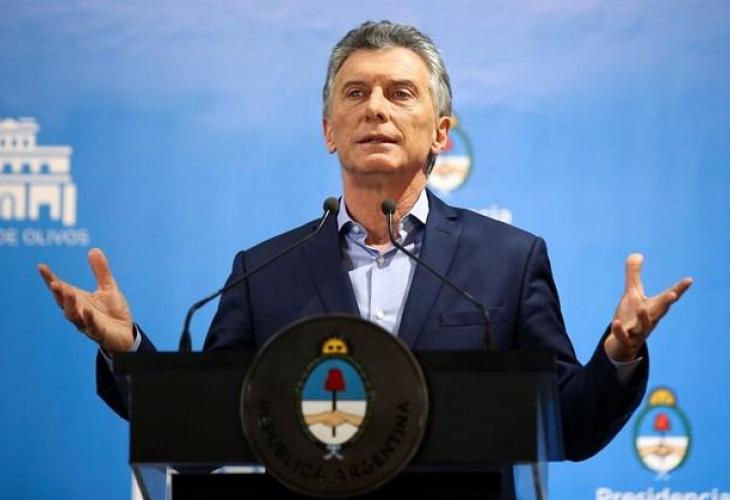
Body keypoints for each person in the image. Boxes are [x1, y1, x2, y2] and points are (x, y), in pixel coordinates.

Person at [38, 18, 691, 489]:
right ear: (330, 131)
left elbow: (567, 429)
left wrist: (618, 354)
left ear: (441, 133)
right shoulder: (264, 271)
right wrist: (128, 351)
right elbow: (201, 439)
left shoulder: (507, 262)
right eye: (355, 93)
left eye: (400, 93)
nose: (375, 108)